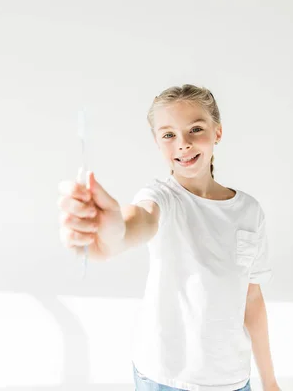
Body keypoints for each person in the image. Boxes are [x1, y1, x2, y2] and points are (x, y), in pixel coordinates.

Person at [58, 84, 281, 391]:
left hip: (232, 381)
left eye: (196, 129)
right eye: (168, 135)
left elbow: (252, 300)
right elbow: (138, 221)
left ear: (217, 132)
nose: (183, 144)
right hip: (164, 379)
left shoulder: (249, 211)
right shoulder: (161, 198)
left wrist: (269, 382)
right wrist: (110, 231)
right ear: (157, 142)